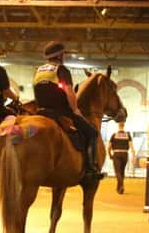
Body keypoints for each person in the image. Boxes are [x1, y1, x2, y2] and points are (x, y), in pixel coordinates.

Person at [33, 41, 100, 181]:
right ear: (59, 55)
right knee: (92, 133)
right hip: (61, 112)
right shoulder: (61, 70)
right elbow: (69, 92)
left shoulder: (38, 70)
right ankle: (90, 169)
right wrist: (75, 110)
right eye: (63, 54)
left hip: (41, 112)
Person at [107, 121, 135, 194]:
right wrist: (133, 156)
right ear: (123, 126)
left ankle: (121, 185)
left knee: (117, 171)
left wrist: (110, 154)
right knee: (122, 171)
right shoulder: (128, 135)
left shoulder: (114, 135)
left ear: (118, 126)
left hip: (116, 154)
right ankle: (119, 188)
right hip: (125, 154)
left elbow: (109, 147)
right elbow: (131, 147)